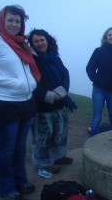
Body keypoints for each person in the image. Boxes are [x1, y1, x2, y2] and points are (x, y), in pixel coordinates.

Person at [0, 5, 39, 200]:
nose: (14, 24)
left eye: (18, 21)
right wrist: (14, 83)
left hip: (26, 102)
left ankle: (20, 180)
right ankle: (6, 188)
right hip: (4, 104)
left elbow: (26, 69)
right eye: (10, 20)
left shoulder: (21, 43)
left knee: (21, 145)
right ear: (2, 21)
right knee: (6, 148)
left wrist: (29, 83)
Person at [28, 29, 77, 175]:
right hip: (42, 105)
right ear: (32, 44)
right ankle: (44, 163)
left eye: (42, 40)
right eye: (35, 41)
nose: (40, 43)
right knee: (43, 135)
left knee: (60, 132)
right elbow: (31, 82)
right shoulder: (31, 60)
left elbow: (65, 75)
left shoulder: (55, 57)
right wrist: (49, 96)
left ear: (47, 40)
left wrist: (60, 93)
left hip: (60, 103)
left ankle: (58, 156)